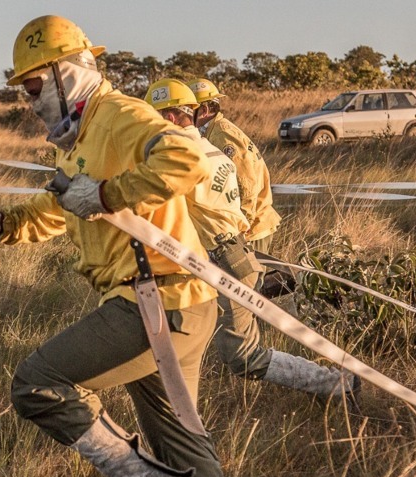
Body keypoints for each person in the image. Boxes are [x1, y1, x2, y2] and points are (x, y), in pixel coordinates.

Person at [0, 16, 239, 477]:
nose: (30, 100)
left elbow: (187, 157)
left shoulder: (119, 116)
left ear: (65, 73)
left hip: (156, 302)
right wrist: (2, 224)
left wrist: (109, 195)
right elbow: (61, 207)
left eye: (33, 85)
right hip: (176, 302)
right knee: (184, 448)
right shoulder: (83, 138)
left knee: (36, 384)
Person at [150, 79, 358, 403]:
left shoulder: (190, 154)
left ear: (173, 118)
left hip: (227, 260)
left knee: (244, 356)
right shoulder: (210, 150)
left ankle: (333, 384)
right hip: (225, 253)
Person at [188, 79, 279, 256]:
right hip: (248, 226)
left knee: (247, 282)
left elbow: (247, 185)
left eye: (189, 110)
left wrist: (240, 231)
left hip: (251, 229)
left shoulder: (222, 136)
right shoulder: (215, 131)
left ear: (204, 110)